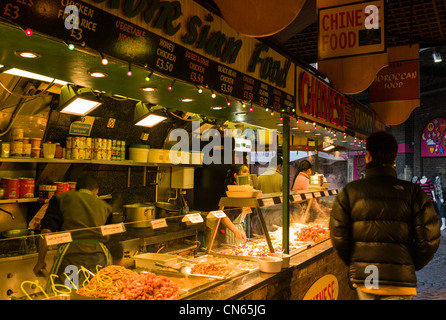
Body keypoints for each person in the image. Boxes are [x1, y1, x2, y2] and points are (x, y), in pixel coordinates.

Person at [329, 131, 440, 300]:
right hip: (400, 280)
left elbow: (338, 234)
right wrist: (409, 263)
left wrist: (355, 261)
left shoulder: (350, 192)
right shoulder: (413, 193)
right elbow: (430, 237)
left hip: (367, 278)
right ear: (394, 159)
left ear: (368, 156)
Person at [33, 173, 117, 289]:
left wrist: (40, 261)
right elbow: (111, 237)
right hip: (99, 256)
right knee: (95, 292)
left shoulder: (60, 199)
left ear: (76, 189)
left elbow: (46, 231)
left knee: (67, 291)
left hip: (71, 255)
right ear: (96, 191)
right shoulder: (106, 206)